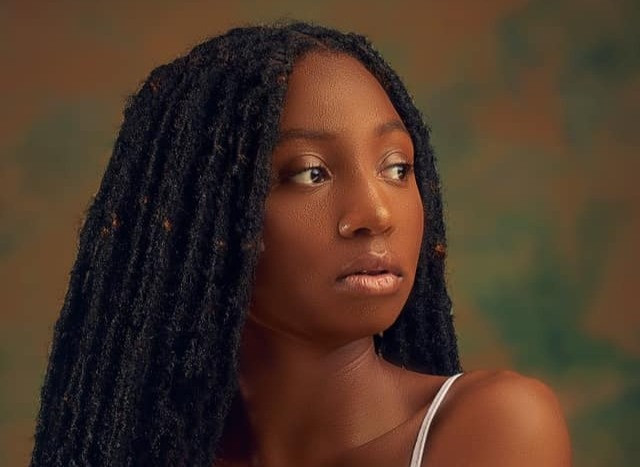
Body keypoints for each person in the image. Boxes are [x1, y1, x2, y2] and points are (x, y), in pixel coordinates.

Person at [30, 21, 572, 466]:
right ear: (201, 213)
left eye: (396, 168)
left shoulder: (493, 427)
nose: (376, 214)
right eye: (311, 173)